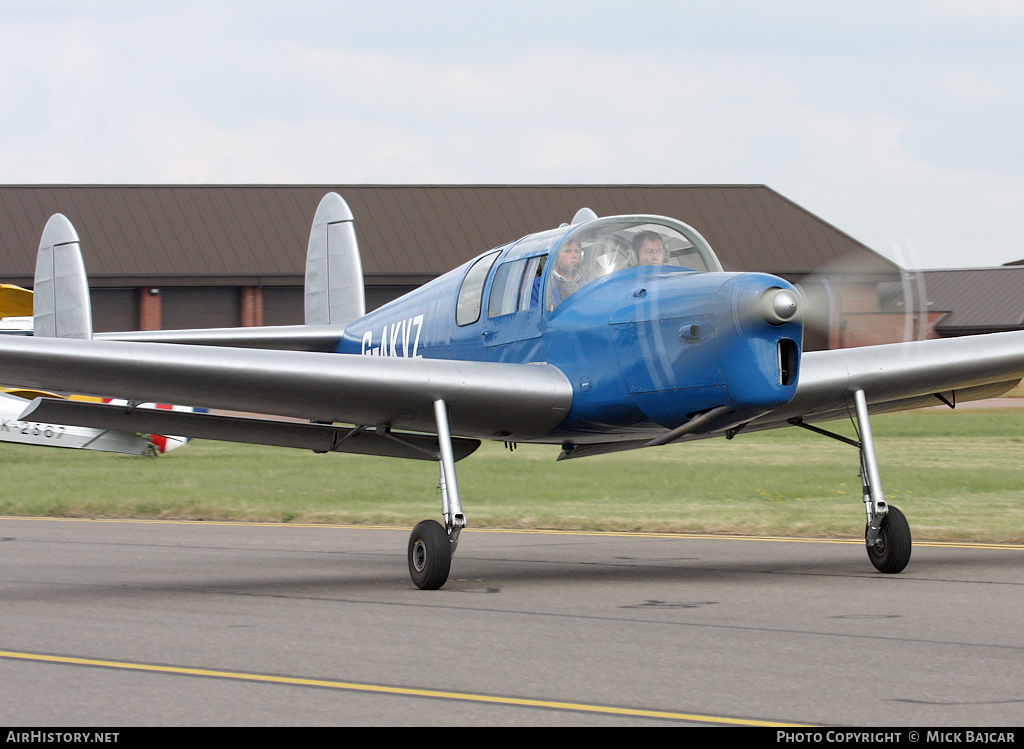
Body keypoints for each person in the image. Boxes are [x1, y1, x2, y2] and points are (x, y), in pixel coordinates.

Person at [547, 239, 586, 311]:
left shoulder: (586, 284)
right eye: (568, 251)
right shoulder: (541, 286)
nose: (574, 256)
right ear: (555, 256)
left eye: (577, 251)